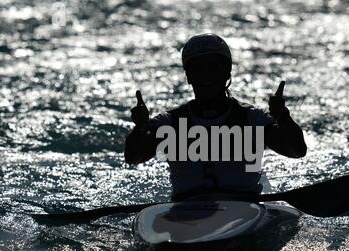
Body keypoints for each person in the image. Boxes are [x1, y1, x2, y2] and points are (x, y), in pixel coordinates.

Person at [125, 33, 306, 201]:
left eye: (213, 68)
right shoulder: (171, 123)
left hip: (244, 209)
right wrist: (140, 128)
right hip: (186, 213)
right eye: (199, 69)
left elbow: (297, 151)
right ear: (188, 76)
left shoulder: (252, 119)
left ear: (227, 72)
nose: (207, 76)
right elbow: (133, 157)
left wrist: (282, 117)